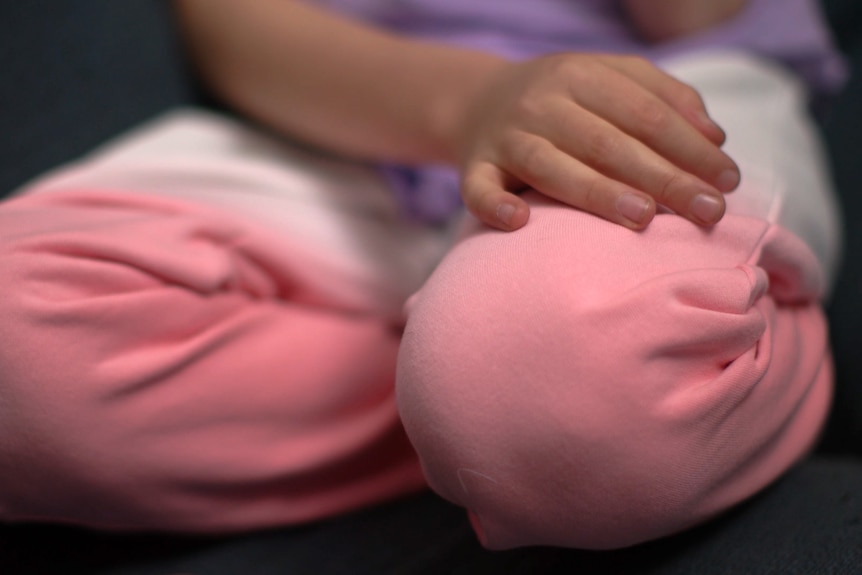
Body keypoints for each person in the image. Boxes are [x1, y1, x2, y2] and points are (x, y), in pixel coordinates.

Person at [0, 0, 845, 552]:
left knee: (564, 357)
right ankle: (485, 409)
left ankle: (519, 397)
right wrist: (467, 104)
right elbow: (239, 28)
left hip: (644, 93)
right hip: (349, 116)